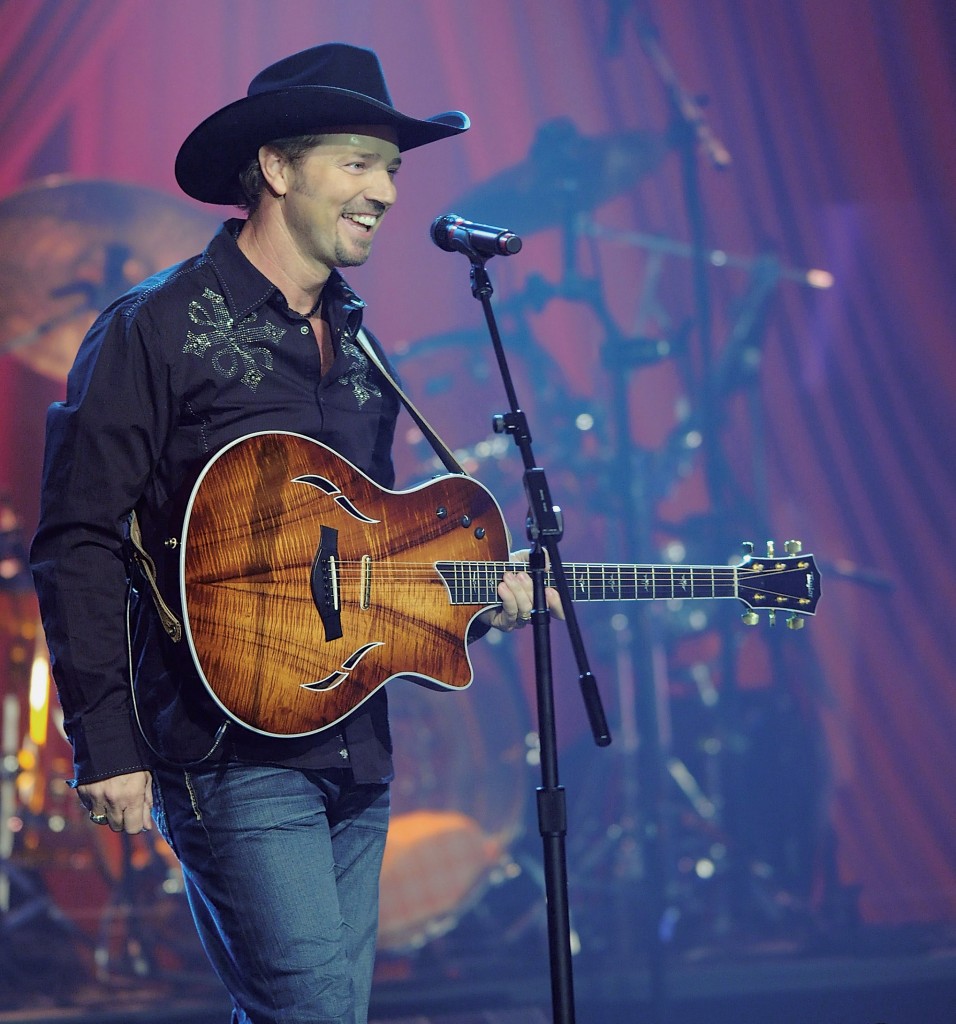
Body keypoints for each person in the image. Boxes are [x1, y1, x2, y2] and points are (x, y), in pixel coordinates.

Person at [30, 43, 562, 1024]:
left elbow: (371, 565)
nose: (386, 192)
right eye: (358, 161)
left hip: (355, 750)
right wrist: (105, 744)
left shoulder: (362, 354)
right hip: (225, 751)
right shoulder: (153, 327)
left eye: (392, 168)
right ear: (274, 168)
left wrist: (483, 604)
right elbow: (76, 540)